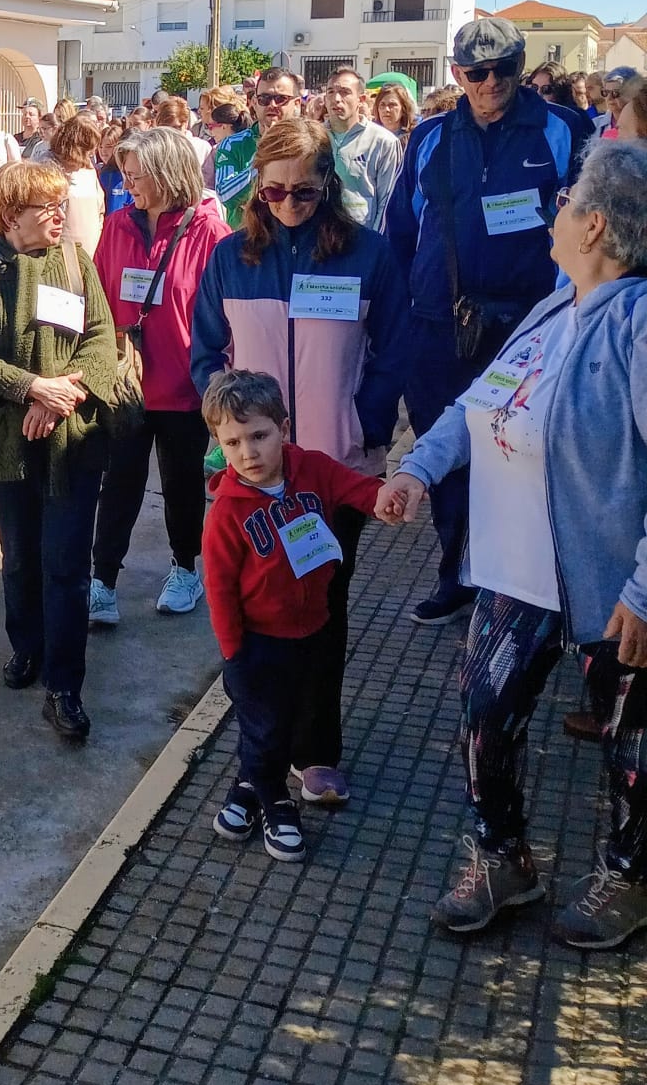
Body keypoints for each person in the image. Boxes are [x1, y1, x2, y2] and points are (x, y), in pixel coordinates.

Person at [380, 140, 647, 948]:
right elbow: (479, 400)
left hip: (609, 588)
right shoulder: (553, 304)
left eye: (567, 199)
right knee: (484, 716)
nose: (555, 207)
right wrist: (418, 469)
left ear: (595, 224)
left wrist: (645, 588)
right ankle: (503, 861)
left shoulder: (637, 325)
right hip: (513, 571)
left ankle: (629, 878)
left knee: (629, 745)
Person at [191, 118, 407, 803]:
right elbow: (204, 354)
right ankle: (265, 740)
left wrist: (363, 423)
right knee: (256, 612)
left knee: (322, 608)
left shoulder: (368, 255)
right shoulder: (231, 258)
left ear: (329, 187)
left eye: (305, 193)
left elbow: (393, 350)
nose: (289, 204)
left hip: (332, 473)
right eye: (276, 191)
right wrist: (228, 428)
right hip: (252, 477)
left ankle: (316, 750)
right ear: (257, 187)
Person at [385, 14, 592, 621]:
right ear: (457, 74)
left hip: (526, 326)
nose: (491, 82)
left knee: (518, 453)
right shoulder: (428, 138)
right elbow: (402, 232)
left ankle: (520, 583)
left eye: (503, 69)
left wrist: (566, 320)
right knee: (441, 451)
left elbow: (581, 231)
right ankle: (457, 572)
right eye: (476, 73)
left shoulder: (562, 130)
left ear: (520, 67)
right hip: (438, 326)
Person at [0, 160, 118, 742]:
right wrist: (28, 389)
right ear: (8, 216)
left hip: (72, 437)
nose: (57, 215)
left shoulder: (74, 261)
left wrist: (60, 394)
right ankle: (27, 649)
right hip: (8, 444)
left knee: (66, 565)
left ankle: (65, 687)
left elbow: (101, 338)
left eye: (58, 205)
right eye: (44, 207)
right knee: (19, 555)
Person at [202, 370, 384, 863]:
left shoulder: (313, 469)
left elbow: (355, 488)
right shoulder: (226, 511)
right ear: (219, 443)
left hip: (313, 629)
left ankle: (245, 788)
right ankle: (277, 803)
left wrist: (384, 500)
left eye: (259, 436)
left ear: (284, 428)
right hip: (258, 642)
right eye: (233, 442)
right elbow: (218, 588)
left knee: (287, 718)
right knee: (267, 728)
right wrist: (233, 652)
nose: (248, 454)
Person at [90, 129, 230, 623]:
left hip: (186, 384)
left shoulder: (210, 232)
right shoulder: (117, 224)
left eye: (136, 171)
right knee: (120, 480)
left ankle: (186, 568)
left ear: (169, 172)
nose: (126, 179)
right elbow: (100, 295)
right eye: (123, 170)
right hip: (127, 384)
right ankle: (103, 579)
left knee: (182, 481)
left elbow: (225, 310)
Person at [212, 67, 302, 226]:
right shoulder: (232, 144)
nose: (272, 105)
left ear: (296, 103)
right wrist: (264, 159)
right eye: (264, 99)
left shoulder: (309, 143)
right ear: (254, 102)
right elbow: (226, 196)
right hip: (249, 240)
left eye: (281, 99)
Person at [322, 68, 403, 229]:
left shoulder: (383, 142)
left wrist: (375, 245)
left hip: (361, 241)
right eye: (331, 92)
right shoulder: (314, 137)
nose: (336, 99)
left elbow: (388, 202)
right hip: (319, 241)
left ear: (361, 99)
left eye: (345, 92)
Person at [46, 114, 105, 257]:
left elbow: (100, 209)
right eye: (87, 150)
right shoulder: (47, 166)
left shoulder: (88, 168)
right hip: (59, 256)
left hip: (90, 256)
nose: (91, 154)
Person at [600, 66, 642, 138]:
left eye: (615, 93)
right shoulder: (595, 124)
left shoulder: (642, 124)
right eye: (605, 92)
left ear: (633, 93)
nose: (609, 98)